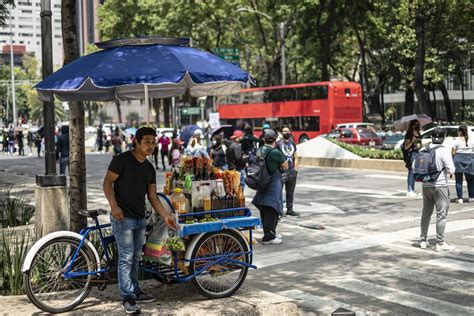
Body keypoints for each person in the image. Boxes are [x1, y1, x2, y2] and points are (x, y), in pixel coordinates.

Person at [103, 127, 176, 313]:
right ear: (136, 142)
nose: (151, 145)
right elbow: (107, 183)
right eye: (147, 141)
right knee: (126, 257)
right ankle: (127, 297)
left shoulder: (149, 168)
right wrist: (114, 206)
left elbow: (153, 197)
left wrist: (166, 216)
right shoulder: (122, 160)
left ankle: (135, 290)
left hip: (139, 217)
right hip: (123, 217)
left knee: (136, 256)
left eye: (153, 142)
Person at [417, 128, 456, 252]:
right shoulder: (444, 150)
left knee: (426, 213)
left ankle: (423, 240)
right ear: (443, 137)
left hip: (426, 184)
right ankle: (440, 243)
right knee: (441, 214)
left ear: (432, 136)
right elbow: (452, 170)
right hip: (440, 185)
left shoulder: (423, 149)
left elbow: (414, 166)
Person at [252, 129, 288, 244]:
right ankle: (269, 237)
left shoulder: (260, 150)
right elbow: (286, 166)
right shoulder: (275, 152)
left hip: (262, 182)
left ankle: (269, 233)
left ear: (264, 139)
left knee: (264, 207)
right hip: (273, 182)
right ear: (275, 139)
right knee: (272, 208)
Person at [277, 125, 299, 216]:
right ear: (281, 133)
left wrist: (296, 169)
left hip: (292, 172)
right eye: (284, 131)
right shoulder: (278, 144)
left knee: (290, 192)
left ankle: (290, 210)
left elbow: (295, 156)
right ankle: (278, 212)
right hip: (282, 172)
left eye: (288, 131)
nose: (287, 133)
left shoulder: (292, 143)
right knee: (278, 193)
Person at [452, 125, 474, 203]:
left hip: (458, 161)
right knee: (470, 180)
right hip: (470, 161)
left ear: (460, 131)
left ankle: (460, 198)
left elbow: (453, 153)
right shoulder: (472, 140)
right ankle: (471, 197)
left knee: (458, 180)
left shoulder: (456, 140)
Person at [403, 120, 422, 197]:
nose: (417, 125)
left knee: (414, 173)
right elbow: (406, 147)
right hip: (412, 154)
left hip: (418, 153)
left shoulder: (419, 133)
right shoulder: (409, 135)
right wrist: (412, 141)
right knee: (411, 171)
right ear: (412, 125)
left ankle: (412, 189)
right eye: (416, 124)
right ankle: (409, 189)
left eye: (418, 124)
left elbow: (419, 144)